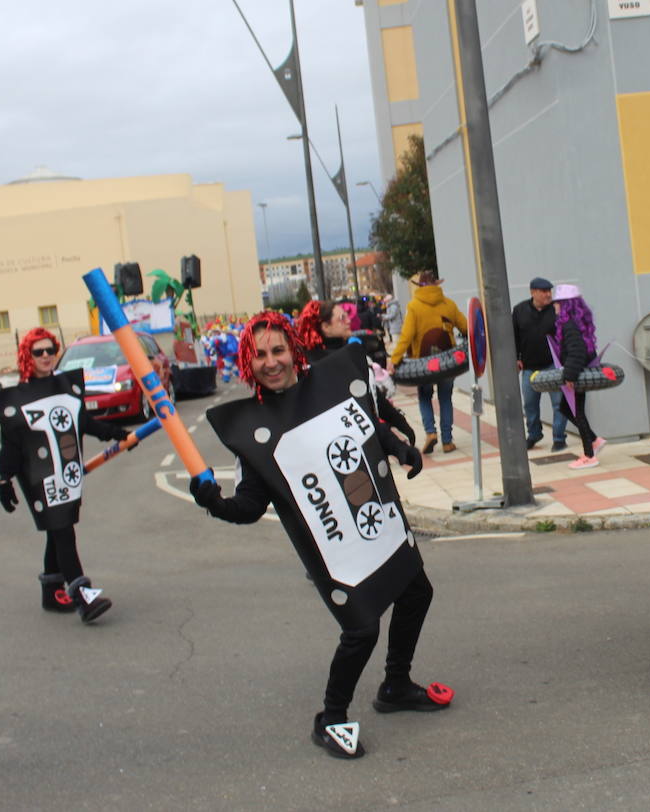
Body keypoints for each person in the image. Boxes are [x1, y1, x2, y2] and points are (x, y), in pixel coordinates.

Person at [188, 312, 450, 760]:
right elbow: (250, 508)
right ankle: (330, 717)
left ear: (293, 350)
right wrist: (212, 500)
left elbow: (364, 428)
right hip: (337, 552)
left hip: (377, 525)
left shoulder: (328, 386)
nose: (271, 362)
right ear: (248, 364)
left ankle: (395, 684)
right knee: (362, 629)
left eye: (278, 350)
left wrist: (398, 447)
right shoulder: (255, 432)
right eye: (260, 355)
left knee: (416, 593)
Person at [0, 328, 131, 623]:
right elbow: (11, 443)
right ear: (27, 357)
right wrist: (4, 479)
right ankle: (83, 597)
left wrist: (120, 435)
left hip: (65, 474)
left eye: (50, 350)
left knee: (59, 530)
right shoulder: (19, 396)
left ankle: (51, 591)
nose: (45, 356)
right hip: (38, 477)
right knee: (63, 530)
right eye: (38, 352)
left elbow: (84, 423)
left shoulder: (65, 387)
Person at [294, 299, 416, 446]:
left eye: (347, 315)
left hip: (366, 440)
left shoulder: (349, 352)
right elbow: (357, 408)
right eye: (341, 318)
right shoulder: (318, 364)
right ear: (326, 327)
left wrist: (399, 421)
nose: (348, 320)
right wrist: (392, 441)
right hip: (346, 445)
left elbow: (371, 393)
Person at [389, 270, 468, 455]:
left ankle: (431, 433)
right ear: (437, 285)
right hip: (448, 361)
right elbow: (466, 327)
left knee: (425, 397)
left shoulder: (414, 306)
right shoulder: (448, 304)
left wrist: (394, 360)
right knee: (445, 398)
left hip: (423, 363)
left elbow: (406, 336)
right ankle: (448, 441)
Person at [549, 284, 605, 469]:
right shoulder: (577, 323)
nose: (554, 306)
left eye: (557, 303)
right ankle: (594, 440)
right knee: (567, 408)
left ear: (565, 304)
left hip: (575, 375)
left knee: (576, 411)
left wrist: (570, 376)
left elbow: (577, 351)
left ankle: (589, 455)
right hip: (580, 372)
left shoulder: (569, 325)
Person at [512, 277, 569, 453]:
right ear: (533, 292)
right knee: (530, 403)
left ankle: (559, 438)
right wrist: (516, 357)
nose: (548, 294)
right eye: (544, 291)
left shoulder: (556, 310)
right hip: (529, 367)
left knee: (558, 403)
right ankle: (534, 434)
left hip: (553, 365)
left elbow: (564, 335)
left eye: (549, 291)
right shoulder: (519, 310)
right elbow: (513, 336)